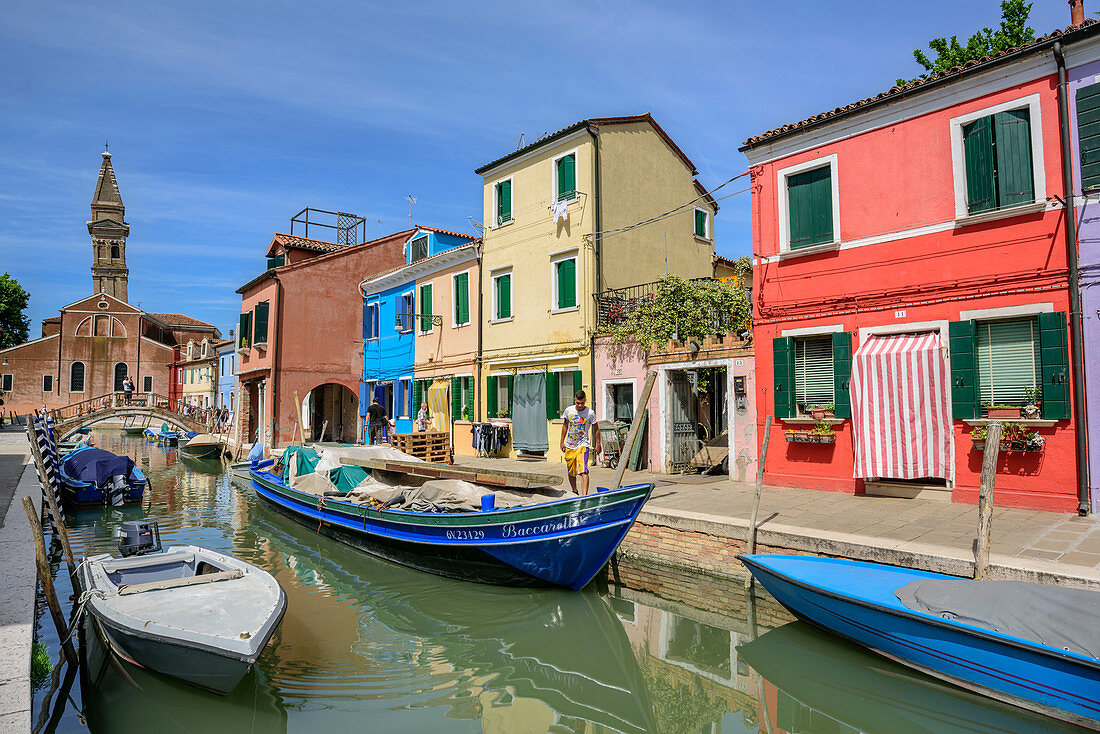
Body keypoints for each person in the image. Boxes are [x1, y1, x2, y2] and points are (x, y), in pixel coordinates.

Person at [559, 390, 601, 496]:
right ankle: (574, 491)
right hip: (570, 445)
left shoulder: (590, 413)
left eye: (582, 403)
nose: (580, 405)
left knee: (583, 470)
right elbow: (565, 426)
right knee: (571, 470)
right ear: (574, 400)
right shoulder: (569, 410)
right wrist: (561, 441)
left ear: (585, 400)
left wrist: (598, 444)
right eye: (578, 403)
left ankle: (585, 495)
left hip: (583, 444)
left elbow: (596, 429)